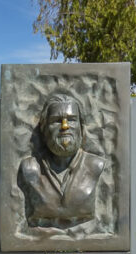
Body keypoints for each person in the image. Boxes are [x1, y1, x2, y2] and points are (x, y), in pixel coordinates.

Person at [17, 92, 105, 228]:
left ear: (81, 127)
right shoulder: (29, 168)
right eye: (56, 120)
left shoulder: (96, 166)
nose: (65, 126)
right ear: (44, 128)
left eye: (71, 119)